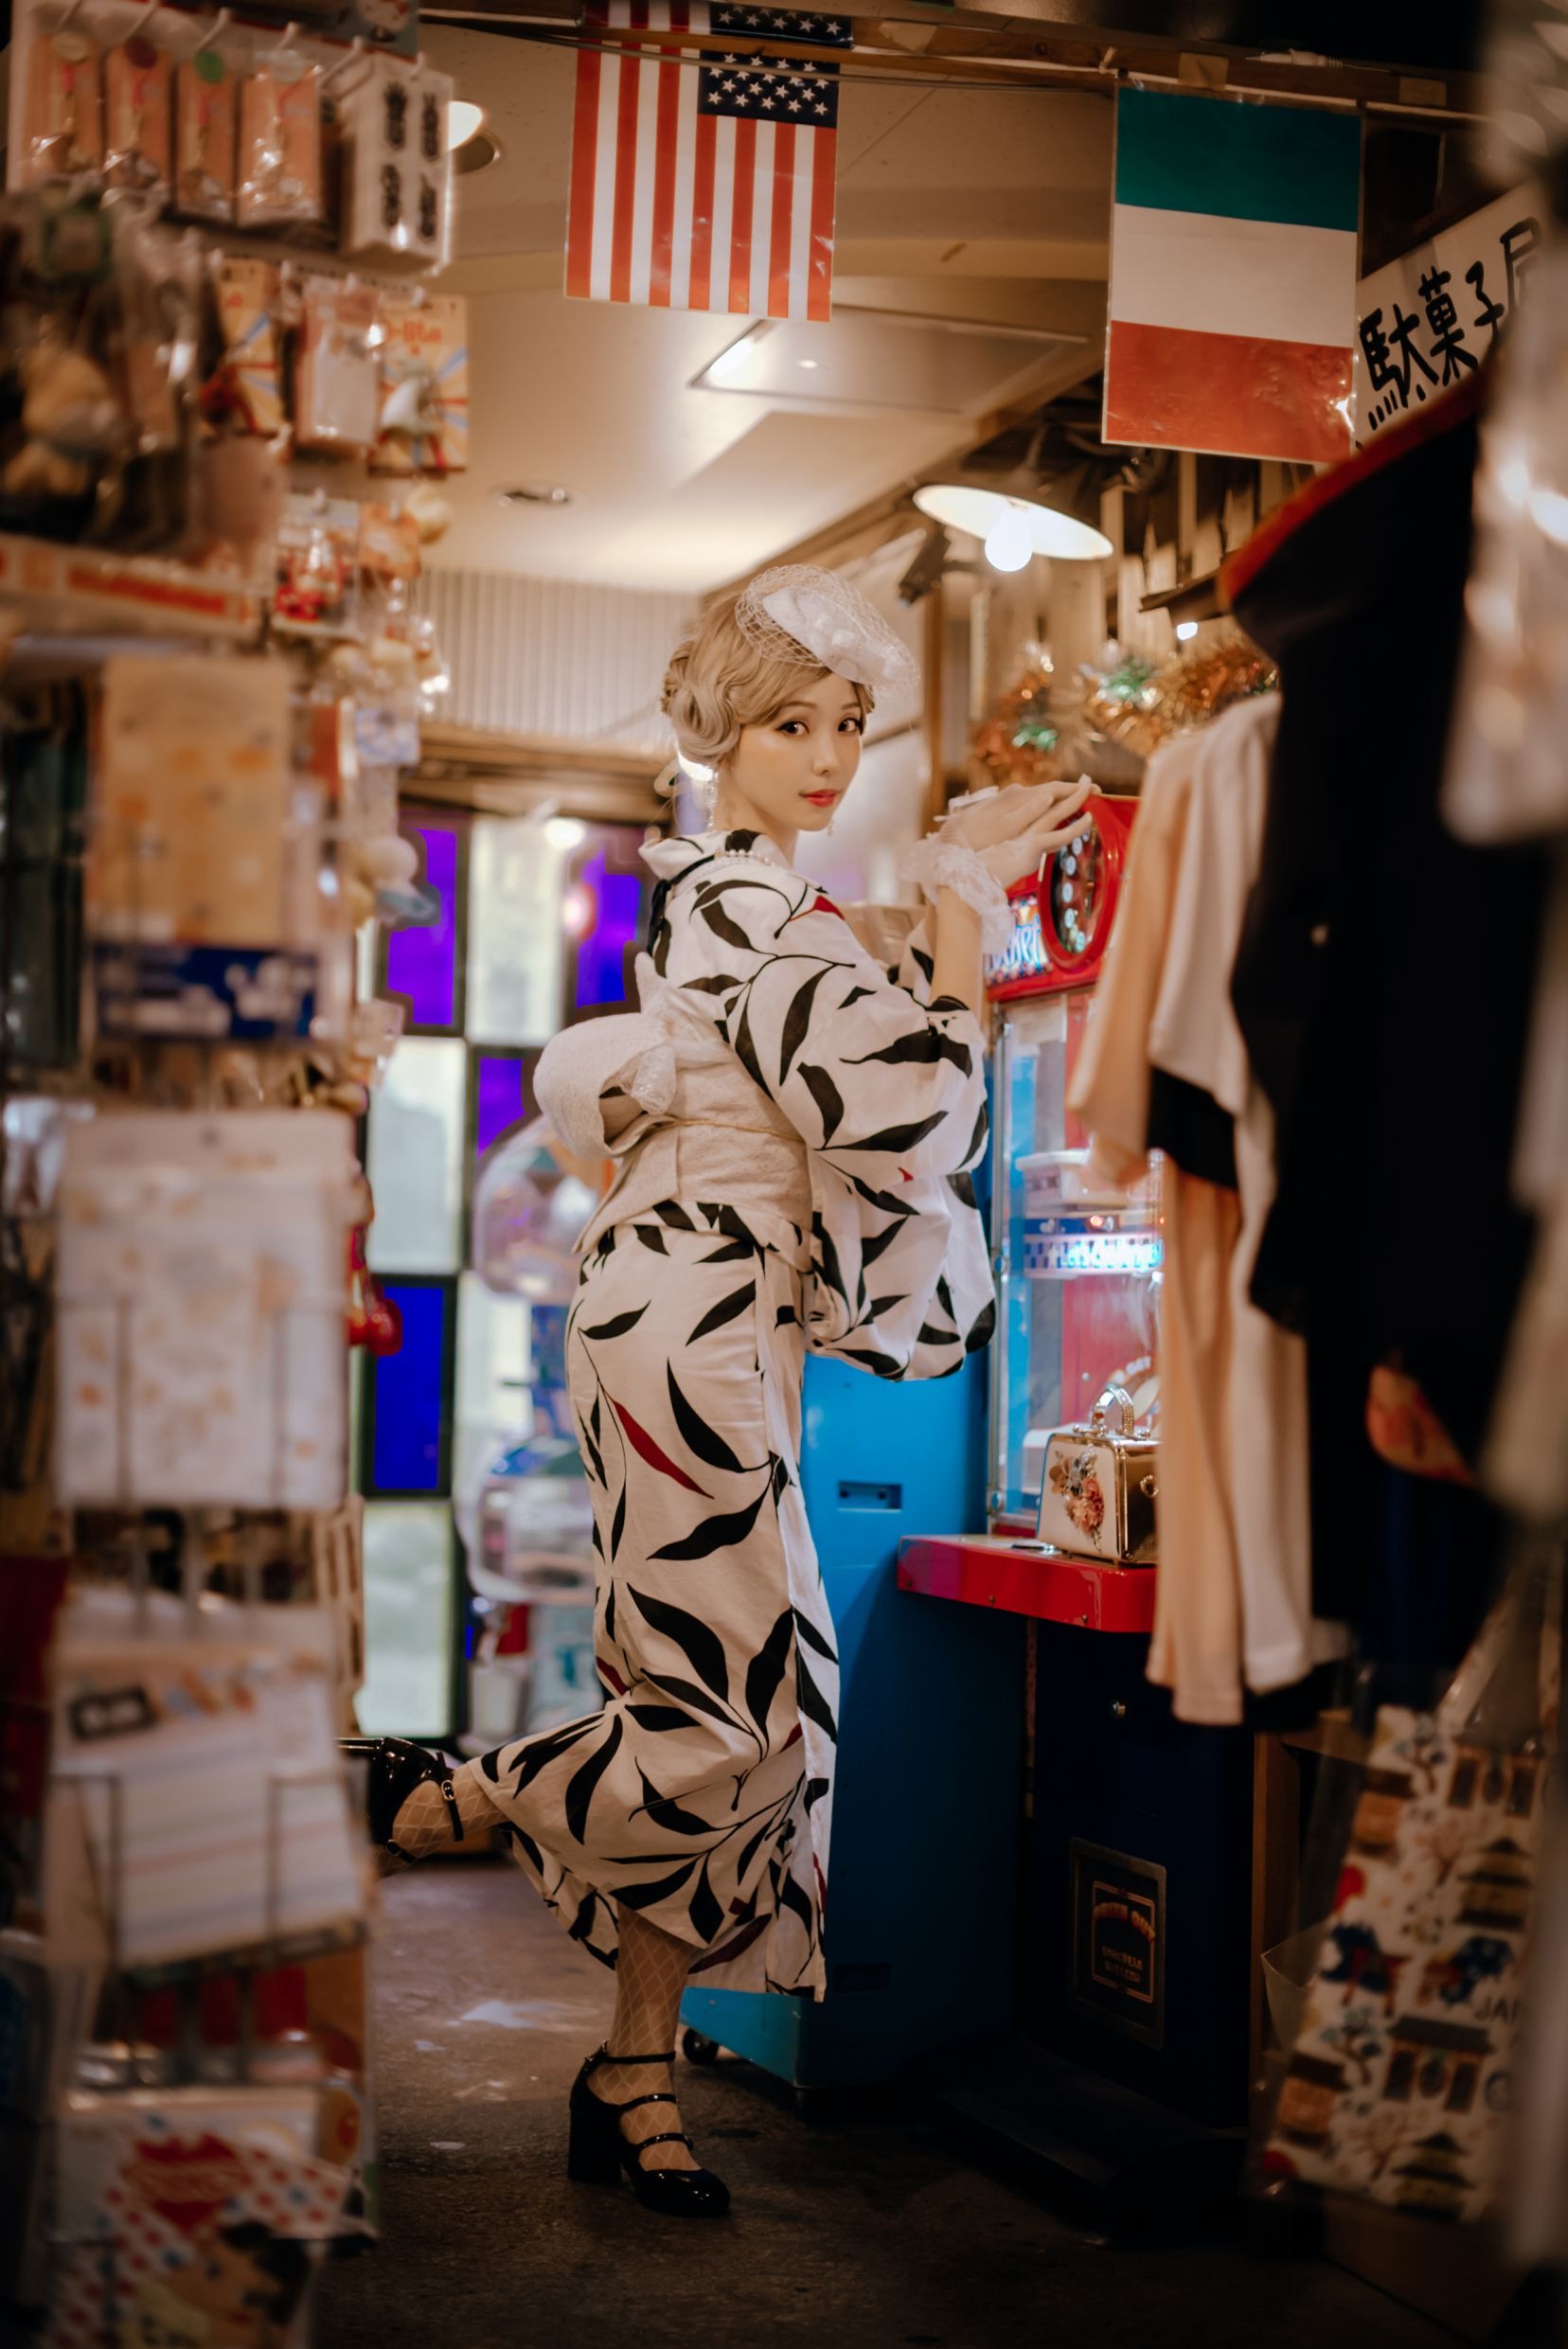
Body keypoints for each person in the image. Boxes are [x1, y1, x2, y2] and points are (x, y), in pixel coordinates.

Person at [345, 566, 1091, 2216]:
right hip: (690, 1314)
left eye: (845, 724)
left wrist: (935, 897)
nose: (825, 756)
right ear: (723, 734)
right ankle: (443, 1792)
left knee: (748, 1706)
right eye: (790, 724)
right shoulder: (744, 904)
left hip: (707, 1312)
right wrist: (961, 912)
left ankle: (633, 2068)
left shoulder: (765, 904)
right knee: (737, 1714)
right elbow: (918, 1111)